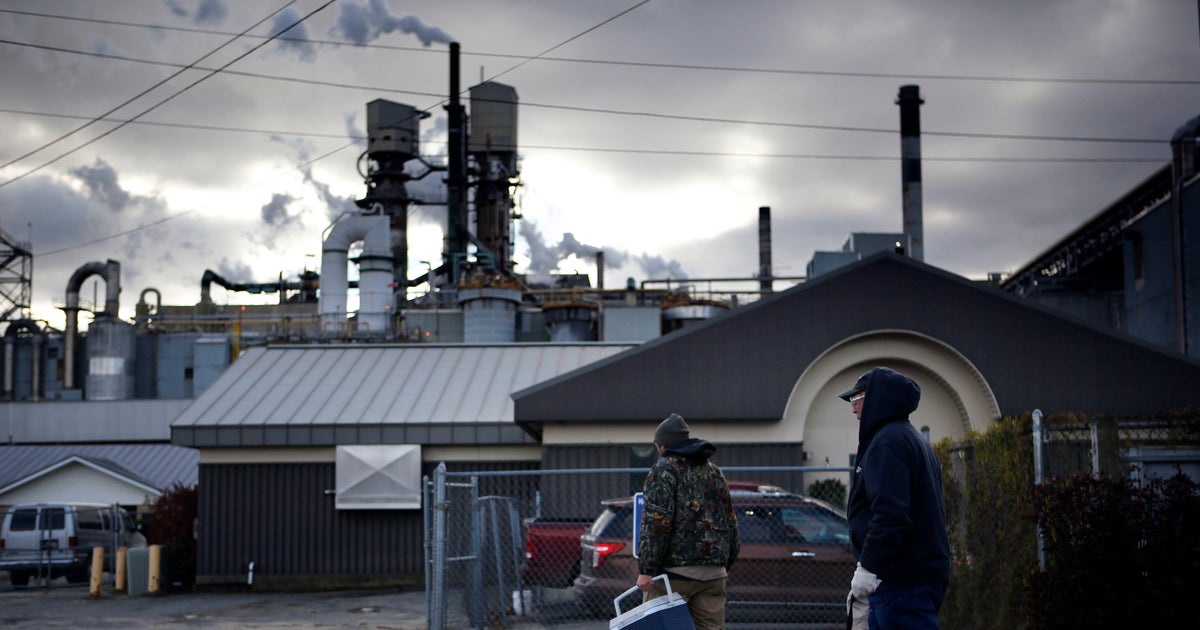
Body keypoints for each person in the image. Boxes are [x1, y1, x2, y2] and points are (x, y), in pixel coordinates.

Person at [838, 367, 951, 630]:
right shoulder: (910, 439)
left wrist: (867, 570)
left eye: (856, 400)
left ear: (876, 399)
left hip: (901, 579)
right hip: (911, 577)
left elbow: (890, 515)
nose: (854, 410)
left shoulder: (887, 442)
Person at [635, 413, 740, 630]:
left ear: (663, 446)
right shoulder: (714, 471)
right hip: (714, 573)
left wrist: (647, 568)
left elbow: (657, 522)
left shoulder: (664, 470)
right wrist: (725, 562)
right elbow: (730, 520)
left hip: (674, 576)